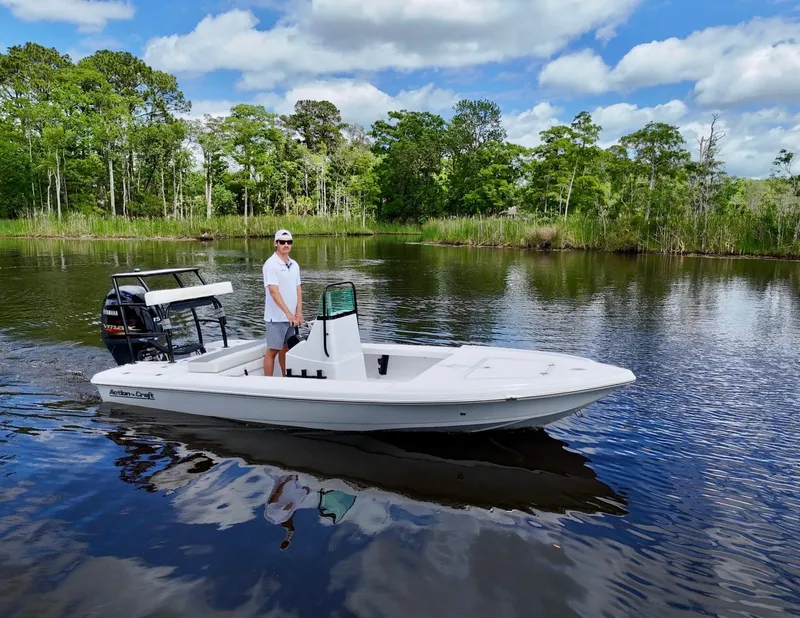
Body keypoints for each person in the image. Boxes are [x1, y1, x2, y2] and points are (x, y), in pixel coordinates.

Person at [263, 229, 302, 377]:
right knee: (273, 350)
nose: (286, 245)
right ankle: (268, 382)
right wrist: (288, 313)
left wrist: (298, 313)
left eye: (289, 242)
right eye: (282, 242)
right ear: (275, 243)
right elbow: (274, 292)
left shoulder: (294, 265)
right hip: (276, 318)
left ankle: (286, 379)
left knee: (286, 348)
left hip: (291, 317)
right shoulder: (270, 265)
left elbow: (298, 289)